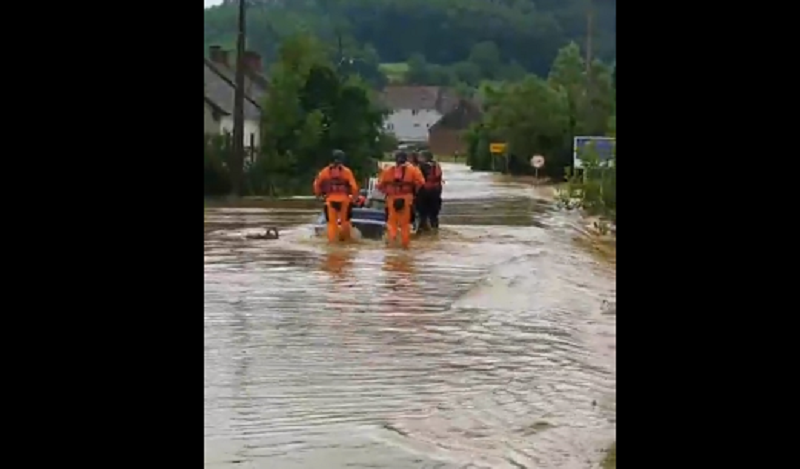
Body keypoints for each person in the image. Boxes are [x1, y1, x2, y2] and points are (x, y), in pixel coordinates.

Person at [377, 150, 425, 248]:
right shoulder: (413, 170)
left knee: (391, 223)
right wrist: (414, 191)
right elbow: (421, 182)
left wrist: (387, 192)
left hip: (391, 199)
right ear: (406, 159)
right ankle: (404, 246)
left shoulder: (387, 170)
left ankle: (392, 243)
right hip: (407, 199)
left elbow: (379, 185)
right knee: (405, 225)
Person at [313, 149, 359, 243]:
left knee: (331, 224)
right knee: (345, 222)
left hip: (330, 201)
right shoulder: (347, 172)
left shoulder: (325, 171)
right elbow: (354, 187)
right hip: (344, 201)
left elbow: (316, 184)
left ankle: (332, 242)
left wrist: (318, 195)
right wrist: (354, 198)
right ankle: (346, 241)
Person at [416, 150, 444, 230]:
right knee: (433, 214)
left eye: (420, 157)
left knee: (422, 213)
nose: (418, 158)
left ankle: (423, 230)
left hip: (424, 191)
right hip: (436, 191)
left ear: (424, 158)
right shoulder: (436, 165)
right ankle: (434, 229)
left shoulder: (421, 166)